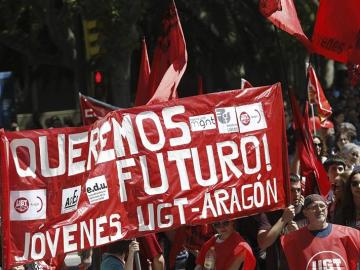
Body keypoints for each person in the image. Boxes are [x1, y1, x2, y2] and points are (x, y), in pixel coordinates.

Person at [281, 194, 360, 270]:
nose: (319, 210)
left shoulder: (349, 234)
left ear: (327, 209)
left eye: (322, 206)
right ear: (305, 212)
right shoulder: (292, 240)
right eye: (314, 207)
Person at [256, 174, 305, 270]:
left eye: (298, 190)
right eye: (291, 190)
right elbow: (263, 243)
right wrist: (283, 220)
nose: (296, 194)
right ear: (282, 190)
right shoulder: (270, 212)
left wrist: (298, 234)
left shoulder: (307, 210)